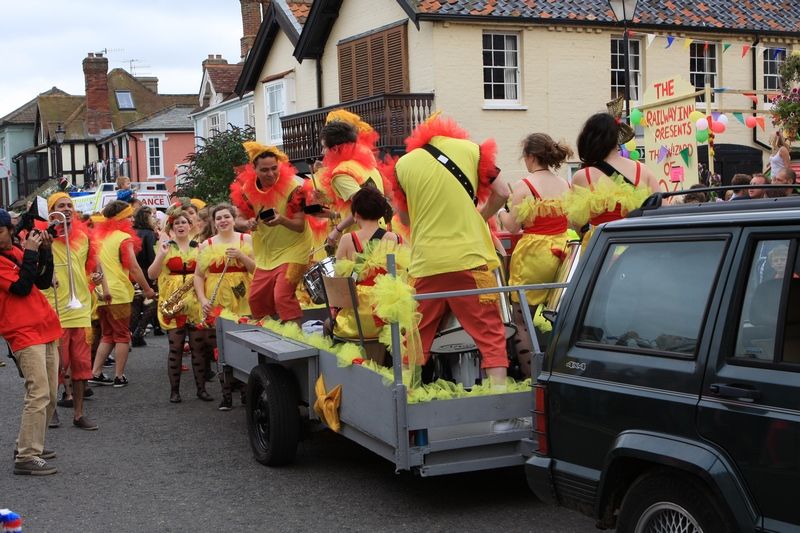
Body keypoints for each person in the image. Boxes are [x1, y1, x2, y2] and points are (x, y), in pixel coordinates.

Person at [391, 114, 515, 427]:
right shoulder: (473, 151)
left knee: (417, 337)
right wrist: (480, 215)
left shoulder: (403, 165)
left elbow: (404, 218)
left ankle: (407, 405)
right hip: (470, 259)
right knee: (489, 333)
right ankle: (499, 410)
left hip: (426, 263)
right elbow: (502, 191)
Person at [497, 133, 572, 377]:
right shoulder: (564, 184)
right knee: (557, 317)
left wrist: (501, 212)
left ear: (530, 157)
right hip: (562, 252)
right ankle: (558, 371)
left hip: (533, 255)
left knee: (522, 322)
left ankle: (532, 379)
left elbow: (512, 227)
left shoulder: (524, 186)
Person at [0, 208, 62, 475]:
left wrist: (44, 249)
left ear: (10, 231)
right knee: (38, 392)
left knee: (49, 395)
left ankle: (29, 443)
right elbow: (22, 287)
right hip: (22, 331)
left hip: (44, 326)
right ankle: (26, 456)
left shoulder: (14, 252)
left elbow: (42, 281)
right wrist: (31, 251)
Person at [230, 143, 313, 324]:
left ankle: (295, 343)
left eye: (274, 168)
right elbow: (239, 219)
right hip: (266, 254)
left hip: (295, 250)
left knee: (282, 296)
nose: (271, 174)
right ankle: (270, 343)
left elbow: (299, 225)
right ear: (254, 169)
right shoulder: (247, 190)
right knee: (256, 300)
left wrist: (281, 220)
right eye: (265, 170)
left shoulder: (294, 188)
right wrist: (247, 223)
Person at [43, 192, 99, 431]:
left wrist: (93, 279)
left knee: (81, 364)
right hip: (54, 309)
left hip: (80, 309)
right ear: (51, 210)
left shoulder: (84, 236)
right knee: (56, 365)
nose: (66, 209)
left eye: (69, 205)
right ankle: (52, 409)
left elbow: (86, 267)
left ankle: (78, 414)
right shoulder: (43, 236)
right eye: (60, 206)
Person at [332, 187, 406, 363]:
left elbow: (337, 284)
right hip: (390, 318)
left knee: (329, 326)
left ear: (355, 214)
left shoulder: (348, 240)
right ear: (381, 213)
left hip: (358, 320)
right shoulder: (397, 239)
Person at [194, 203, 255, 410]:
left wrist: (241, 256)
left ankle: (247, 393)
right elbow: (198, 276)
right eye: (218, 218)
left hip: (243, 299)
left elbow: (257, 269)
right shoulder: (206, 245)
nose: (222, 221)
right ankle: (226, 394)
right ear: (213, 222)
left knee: (245, 345)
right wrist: (203, 300)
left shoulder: (246, 240)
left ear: (233, 218)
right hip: (217, 300)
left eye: (226, 217)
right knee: (220, 347)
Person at [88, 200, 156, 388]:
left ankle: (96, 372)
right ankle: (119, 375)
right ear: (121, 218)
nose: (132, 219)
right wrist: (148, 289)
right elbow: (134, 268)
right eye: (129, 216)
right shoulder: (123, 238)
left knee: (108, 335)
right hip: (117, 293)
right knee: (122, 336)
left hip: (101, 293)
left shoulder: (97, 237)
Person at [148, 206, 211, 404]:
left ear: (191, 226)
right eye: (177, 223)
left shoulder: (199, 247)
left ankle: (201, 389)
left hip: (195, 302)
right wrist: (161, 254)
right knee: (175, 348)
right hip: (173, 302)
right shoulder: (165, 246)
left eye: (184, 222)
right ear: (172, 227)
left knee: (198, 348)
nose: (181, 226)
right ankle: (174, 391)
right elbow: (152, 274)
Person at [567, 109, 658, 243]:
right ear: (617, 137)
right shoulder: (642, 170)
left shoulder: (583, 176)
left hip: (601, 248)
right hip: (637, 246)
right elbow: (661, 210)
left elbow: (575, 223)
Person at [318, 115, 391, 246]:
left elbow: (363, 207)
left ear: (334, 148)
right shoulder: (367, 166)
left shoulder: (341, 173)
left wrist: (337, 230)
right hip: (380, 232)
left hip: (359, 240)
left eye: (324, 147)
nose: (322, 152)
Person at [130, 206, 159, 347]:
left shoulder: (131, 233)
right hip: (147, 271)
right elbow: (152, 257)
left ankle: (133, 332)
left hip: (132, 271)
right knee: (152, 303)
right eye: (151, 216)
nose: (154, 218)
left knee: (135, 302)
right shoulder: (149, 234)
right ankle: (139, 331)